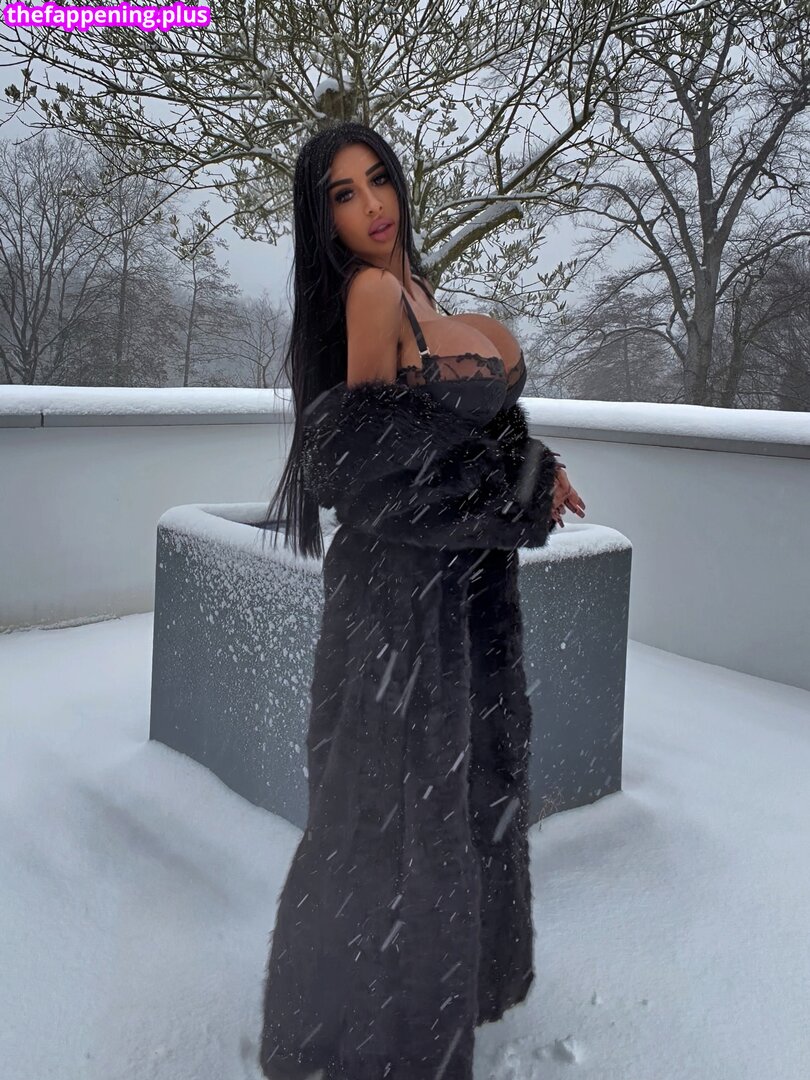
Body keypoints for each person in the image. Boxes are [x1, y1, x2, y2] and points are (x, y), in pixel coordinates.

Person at [259, 121, 585, 1080]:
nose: (372, 206)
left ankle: (426, 998)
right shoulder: (370, 293)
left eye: (379, 180)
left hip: (461, 593)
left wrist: (534, 465)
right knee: (393, 810)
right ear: (323, 219)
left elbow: (450, 435)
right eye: (344, 194)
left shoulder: (417, 287)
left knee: (452, 794)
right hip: (401, 599)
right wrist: (515, 491)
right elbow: (372, 475)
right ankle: (371, 1036)